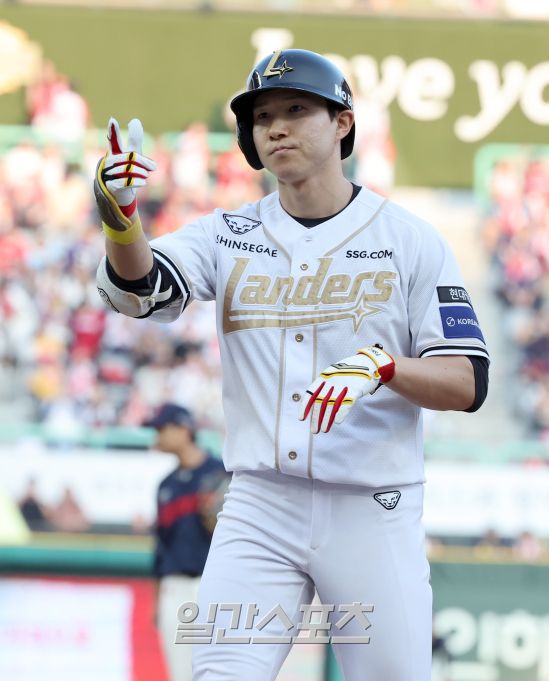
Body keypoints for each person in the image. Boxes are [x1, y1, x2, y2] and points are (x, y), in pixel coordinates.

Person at [94, 49, 489, 681]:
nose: (276, 127)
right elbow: (141, 290)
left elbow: (467, 382)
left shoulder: (409, 238)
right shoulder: (226, 234)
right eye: (262, 117)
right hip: (258, 504)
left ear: (342, 122)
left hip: (372, 506)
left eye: (297, 109)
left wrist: (386, 366)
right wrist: (120, 218)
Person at [147, 402, 228, 681]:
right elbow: (161, 546)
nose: (157, 436)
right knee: (181, 675)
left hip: (216, 585)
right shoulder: (165, 486)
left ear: (184, 429)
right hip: (176, 587)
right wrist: (156, 599)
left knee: (223, 672)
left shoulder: (222, 473)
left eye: (162, 428)